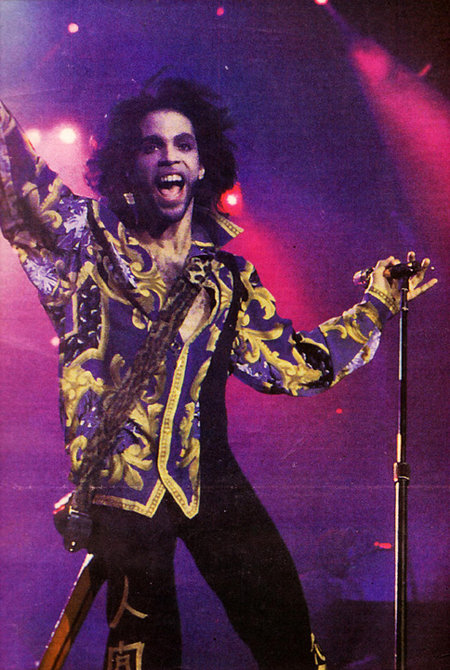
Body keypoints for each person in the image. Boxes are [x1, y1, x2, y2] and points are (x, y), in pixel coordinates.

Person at [0, 78, 436, 670]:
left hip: (212, 479)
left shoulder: (228, 280)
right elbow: (16, 171)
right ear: (130, 165)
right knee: (146, 647)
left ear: (202, 166)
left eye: (183, 144)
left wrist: (378, 304)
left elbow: (295, 366)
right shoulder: (86, 241)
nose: (169, 156)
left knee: (284, 626)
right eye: (152, 145)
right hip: (123, 488)